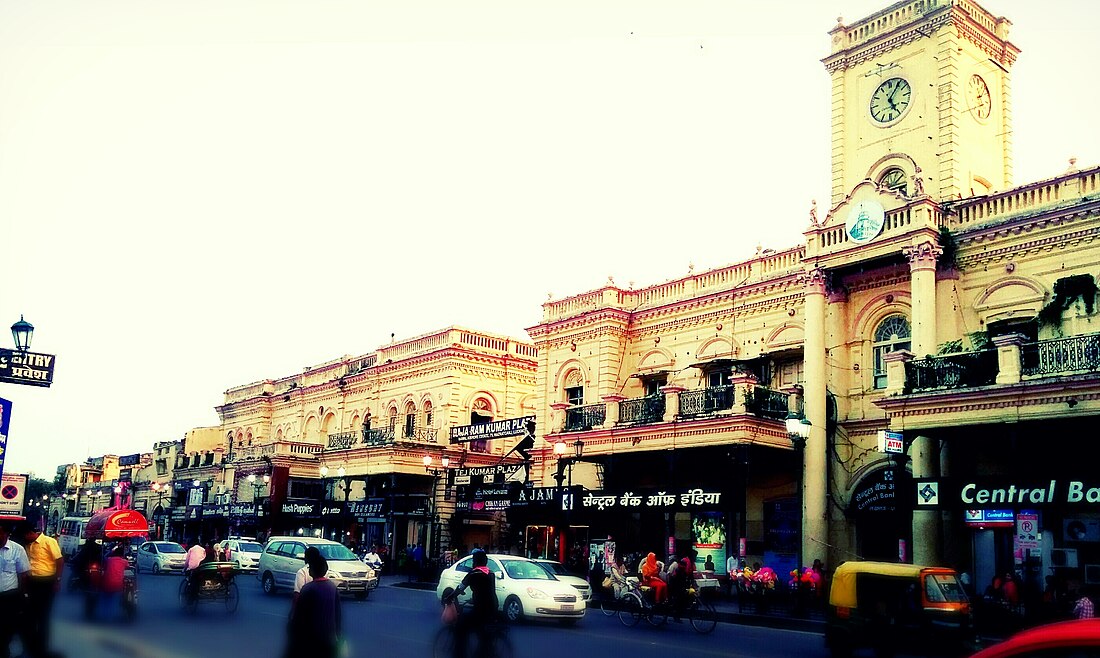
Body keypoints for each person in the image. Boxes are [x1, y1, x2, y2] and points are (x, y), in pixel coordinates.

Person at [16, 521, 63, 658]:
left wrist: (57, 580)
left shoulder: (49, 541)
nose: (25, 539)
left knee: (43, 616)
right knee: (30, 616)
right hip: (32, 582)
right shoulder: (27, 545)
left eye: (26, 536)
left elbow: (59, 561)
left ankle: (42, 649)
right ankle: (31, 647)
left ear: (30, 533)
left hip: (46, 582)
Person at [286, 554, 342, 658]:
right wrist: (337, 635)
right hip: (329, 639)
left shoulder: (308, 589)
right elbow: (338, 615)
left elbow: (300, 617)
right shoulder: (332, 587)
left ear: (313, 570)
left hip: (311, 639)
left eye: (310, 567)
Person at [447, 549, 498, 658]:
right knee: (481, 632)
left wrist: (449, 597)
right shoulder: (490, 574)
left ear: (475, 562)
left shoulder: (473, 574)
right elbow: (486, 591)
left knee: (460, 628)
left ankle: (459, 655)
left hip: (481, 610)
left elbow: (460, 588)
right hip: (492, 608)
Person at [0, 520, 31, 658]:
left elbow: (23, 574)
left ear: (7, 534)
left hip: (8, 595)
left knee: (7, 627)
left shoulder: (17, 549)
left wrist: (23, 594)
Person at [70, 539, 103, 619]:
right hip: (89, 573)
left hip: (86, 573)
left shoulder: (84, 549)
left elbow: (78, 559)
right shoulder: (98, 548)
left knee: (89, 593)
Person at [99, 545, 128, 620]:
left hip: (107, 583)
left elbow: (104, 557)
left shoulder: (109, 560)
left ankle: (104, 615)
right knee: (115, 600)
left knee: (105, 599)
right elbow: (128, 566)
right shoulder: (124, 561)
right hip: (118, 585)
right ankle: (111, 616)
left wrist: (110, 552)